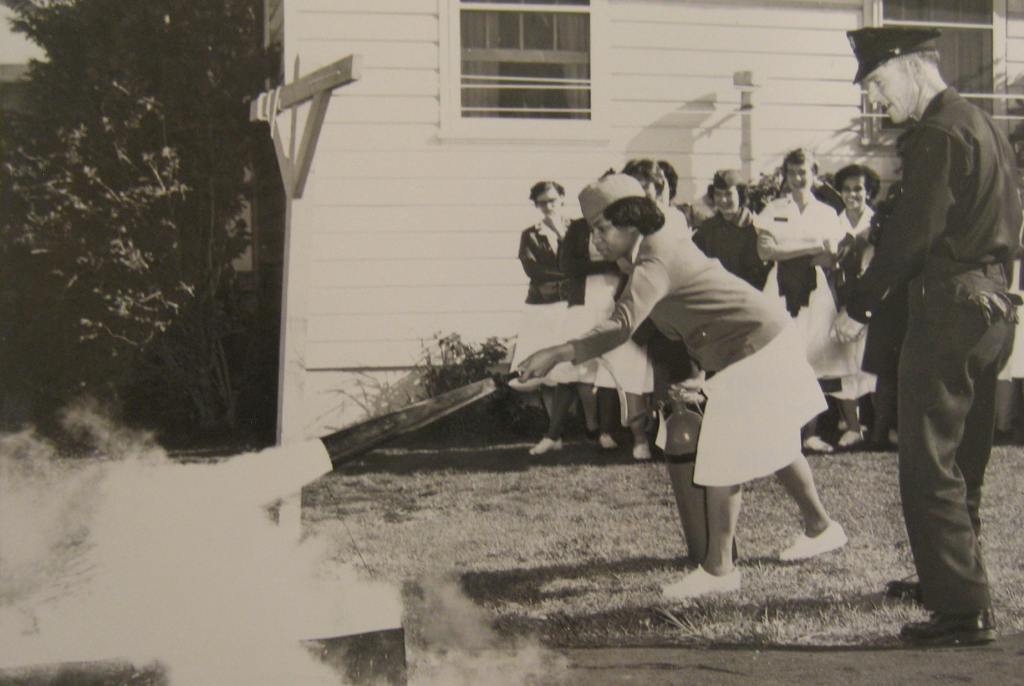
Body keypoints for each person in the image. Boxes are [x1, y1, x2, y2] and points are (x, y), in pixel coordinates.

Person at [517, 174, 847, 600]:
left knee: (723, 452)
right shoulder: (660, 236)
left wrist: (558, 352)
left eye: (602, 229)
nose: (593, 240)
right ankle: (821, 528)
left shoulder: (654, 261)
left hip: (752, 345)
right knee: (780, 445)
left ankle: (719, 569)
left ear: (631, 224)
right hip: (759, 338)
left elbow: (620, 325)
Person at [835, 27, 1022, 645]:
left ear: (915, 66)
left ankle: (962, 611)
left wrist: (858, 305)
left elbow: (914, 233)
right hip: (993, 304)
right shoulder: (982, 123)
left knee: (928, 459)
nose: (876, 100)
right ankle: (951, 581)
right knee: (963, 455)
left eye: (879, 84)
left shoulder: (938, 132)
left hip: (949, 306)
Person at [755, 148, 857, 454]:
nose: (798, 178)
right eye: (792, 172)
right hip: (779, 290)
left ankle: (810, 433)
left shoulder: (826, 213)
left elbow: (830, 256)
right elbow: (765, 253)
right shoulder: (773, 208)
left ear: (814, 175)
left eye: (804, 172)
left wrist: (789, 248)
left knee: (814, 358)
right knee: (779, 357)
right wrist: (809, 246)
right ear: (785, 176)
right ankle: (780, 433)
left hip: (815, 292)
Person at [509, 181, 596, 455]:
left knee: (573, 367)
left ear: (562, 200)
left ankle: (585, 429)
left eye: (553, 200)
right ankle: (554, 431)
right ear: (536, 205)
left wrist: (576, 270)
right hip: (542, 307)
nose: (548, 206)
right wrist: (574, 272)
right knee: (544, 372)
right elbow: (534, 270)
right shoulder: (530, 235)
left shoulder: (577, 229)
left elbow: (587, 259)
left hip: (572, 307)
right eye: (542, 202)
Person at [561, 202, 653, 459]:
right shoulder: (580, 228)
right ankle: (615, 432)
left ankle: (651, 435)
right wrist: (613, 266)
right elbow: (569, 264)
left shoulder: (640, 228)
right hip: (600, 304)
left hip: (635, 300)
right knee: (608, 369)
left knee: (642, 370)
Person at [830, 164, 882, 448]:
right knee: (845, 363)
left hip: (874, 304)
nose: (853, 194)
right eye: (847, 189)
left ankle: (878, 427)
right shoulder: (832, 223)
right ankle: (851, 425)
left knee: (872, 365)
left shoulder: (878, 223)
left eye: (859, 189)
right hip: (843, 301)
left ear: (868, 191)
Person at [694, 169, 771, 290]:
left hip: (747, 297)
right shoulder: (707, 229)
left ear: (740, 195)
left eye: (728, 194)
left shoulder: (756, 228)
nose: (723, 200)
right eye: (718, 194)